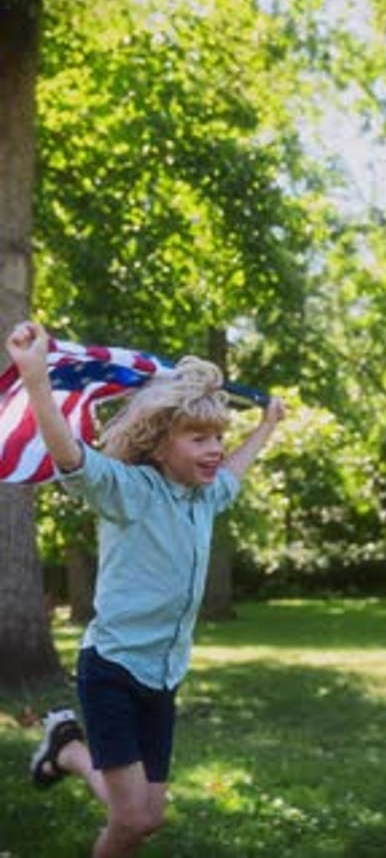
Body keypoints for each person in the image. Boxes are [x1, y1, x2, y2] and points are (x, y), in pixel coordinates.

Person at [6, 320, 285, 858]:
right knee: (130, 818)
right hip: (112, 669)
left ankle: (65, 747)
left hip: (164, 675)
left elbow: (235, 472)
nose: (214, 450)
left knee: (147, 818)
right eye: (198, 438)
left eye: (218, 438)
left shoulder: (205, 496)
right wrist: (37, 379)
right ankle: (67, 749)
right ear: (159, 445)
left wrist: (265, 428)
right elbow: (70, 456)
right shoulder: (128, 491)